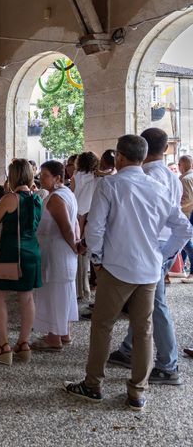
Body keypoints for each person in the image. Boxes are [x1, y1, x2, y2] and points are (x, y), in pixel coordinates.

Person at [64, 134, 193, 411]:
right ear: (143, 156)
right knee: (143, 331)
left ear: (120, 156)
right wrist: (165, 256)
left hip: (116, 267)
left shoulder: (110, 185)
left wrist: (97, 259)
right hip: (148, 270)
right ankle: (137, 391)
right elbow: (184, 228)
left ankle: (93, 383)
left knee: (102, 326)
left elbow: (95, 228)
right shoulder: (158, 187)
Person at [106, 128, 189, 387]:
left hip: (150, 246)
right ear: (164, 149)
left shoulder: (146, 176)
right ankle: (130, 348)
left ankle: (168, 363)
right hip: (161, 245)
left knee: (156, 305)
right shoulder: (171, 177)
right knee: (143, 301)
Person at [0, 159, 42, 365]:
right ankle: (24, 343)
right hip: (31, 251)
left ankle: (4, 347)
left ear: (13, 176)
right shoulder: (37, 198)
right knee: (27, 298)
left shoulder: (11, 198)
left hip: (11, 251)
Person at [32, 160, 80, 351]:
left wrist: (73, 245)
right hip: (61, 249)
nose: (41, 178)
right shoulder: (66, 193)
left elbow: (66, 226)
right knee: (63, 292)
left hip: (57, 249)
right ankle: (64, 332)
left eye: (45, 176)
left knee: (54, 293)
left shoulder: (56, 198)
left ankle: (54, 337)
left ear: (57, 178)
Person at [71, 152, 99, 301]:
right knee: (87, 255)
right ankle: (85, 288)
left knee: (77, 254)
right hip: (90, 213)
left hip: (76, 212)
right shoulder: (97, 176)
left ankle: (78, 289)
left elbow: (74, 193)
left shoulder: (76, 175)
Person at [177, 155, 193, 282]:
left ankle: (191, 271)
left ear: (181, 165)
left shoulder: (185, 179)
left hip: (187, 214)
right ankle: (181, 269)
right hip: (189, 214)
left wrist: (176, 209)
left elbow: (188, 200)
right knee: (184, 243)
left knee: (187, 243)